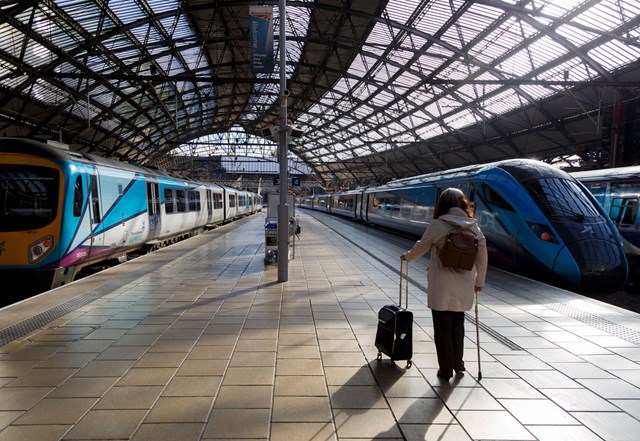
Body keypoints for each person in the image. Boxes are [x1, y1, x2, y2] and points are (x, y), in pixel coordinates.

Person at [400, 187, 488, 380]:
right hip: (464, 284)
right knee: (458, 324)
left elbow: (421, 246)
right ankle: (458, 364)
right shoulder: (473, 226)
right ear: (463, 203)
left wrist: (407, 257)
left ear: (442, 204)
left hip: (441, 284)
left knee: (442, 328)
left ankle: (445, 369)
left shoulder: (438, 224)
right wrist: (479, 281)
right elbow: (482, 255)